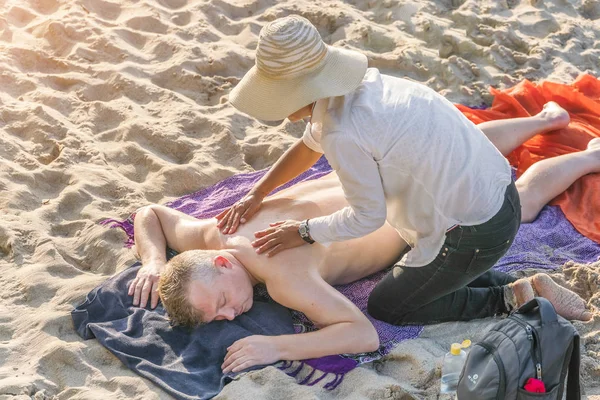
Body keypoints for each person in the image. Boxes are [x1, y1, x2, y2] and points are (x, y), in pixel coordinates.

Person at [128, 109, 597, 373]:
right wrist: (152, 261)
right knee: (470, 143)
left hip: (414, 208)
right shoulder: (213, 231)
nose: (232, 315)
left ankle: (588, 156)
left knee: (521, 198)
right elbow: (149, 213)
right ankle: (543, 119)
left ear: (224, 264)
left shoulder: (283, 275)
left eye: (224, 302)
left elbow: (362, 332)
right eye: (221, 316)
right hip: (380, 176)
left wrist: (278, 347)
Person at [216, 15, 569, 326]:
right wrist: (258, 191)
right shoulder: (361, 87)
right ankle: (524, 284)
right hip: (499, 195)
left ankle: (513, 299)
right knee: (418, 265)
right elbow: (310, 145)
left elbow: (368, 217)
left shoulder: (342, 131)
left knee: (389, 305)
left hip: (475, 228)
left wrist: (305, 231)